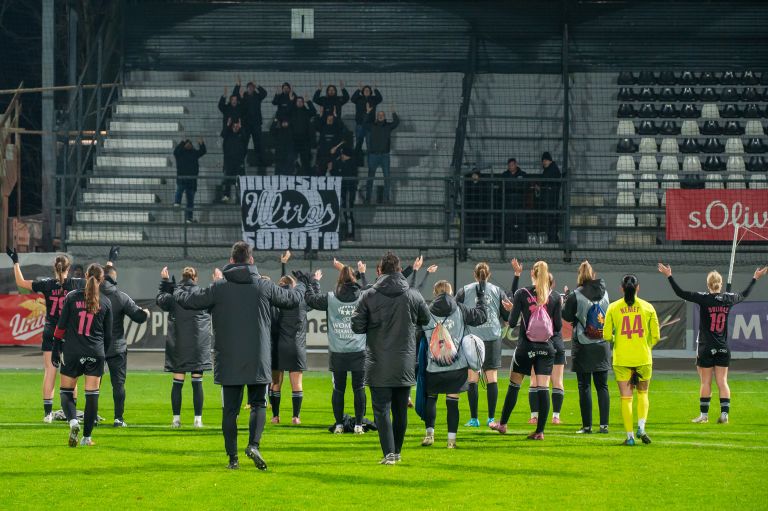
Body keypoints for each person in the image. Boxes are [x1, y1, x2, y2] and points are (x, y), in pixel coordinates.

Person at [171, 241, 304, 470]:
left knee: (230, 411)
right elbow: (291, 299)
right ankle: (253, 445)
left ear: (231, 260)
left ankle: (232, 459)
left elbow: (191, 301)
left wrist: (174, 289)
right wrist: (304, 285)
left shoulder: (219, 287)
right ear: (251, 260)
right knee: (259, 404)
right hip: (258, 359)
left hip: (228, 358)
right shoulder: (263, 286)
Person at [658, 263, 767, 424]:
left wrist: (669, 276)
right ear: (720, 284)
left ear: (708, 284)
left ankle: (704, 416)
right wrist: (755, 278)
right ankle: (725, 415)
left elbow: (680, 293)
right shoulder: (728, 299)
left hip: (706, 347)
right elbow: (744, 294)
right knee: (723, 382)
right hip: (723, 347)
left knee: (705, 382)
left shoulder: (703, 298)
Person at [351, 252, 430, 465]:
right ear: (398, 269)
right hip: (404, 362)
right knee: (400, 410)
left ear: (381, 270)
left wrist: (373, 325)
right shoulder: (413, 295)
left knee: (381, 410)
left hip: (378, 362)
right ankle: (397, 452)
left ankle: (389, 454)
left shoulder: (368, 295)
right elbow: (427, 319)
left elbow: (356, 326)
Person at [6, 249, 85, 422]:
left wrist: (15, 261)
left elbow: (20, 282)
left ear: (54, 268)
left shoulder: (47, 284)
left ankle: (48, 414)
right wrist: (109, 263)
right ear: (68, 268)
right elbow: (99, 281)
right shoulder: (76, 284)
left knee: (50, 370)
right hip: (70, 333)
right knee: (71, 373)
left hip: (51, 331)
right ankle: (70, 411)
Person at [492, 261, 561, 440]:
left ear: (532, 273)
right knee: (543, 388)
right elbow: (558, 326)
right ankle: (540, 431)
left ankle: (503, 424)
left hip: (526, 347)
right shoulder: (554, 297)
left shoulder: (523, 293)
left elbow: (512, 323)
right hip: (546, 348)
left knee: (514, 385)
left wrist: (515, 309)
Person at [303, 260, 369, 434]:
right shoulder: (363, 296)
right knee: (359, 388)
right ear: (354, 279)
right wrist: (361, 274)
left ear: (339, 280)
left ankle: (339, 425)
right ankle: (358, 425)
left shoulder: (331, 297)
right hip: (359, 350)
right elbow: (372, 289)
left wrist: (312, 282)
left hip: (338, 352)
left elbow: (310, 299)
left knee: (338, 389)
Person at [420, 280, 487, 448]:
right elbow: (481, 316)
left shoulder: (427, 312)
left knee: (431, 399)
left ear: (435, 294)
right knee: (452, 403)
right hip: (456, 367)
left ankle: (429, 435)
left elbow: (416, 335)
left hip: (433, 366)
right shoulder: (460, 309)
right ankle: (451, 441)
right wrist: (481, 297)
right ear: (451, 293)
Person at [52, 263, 113, 447]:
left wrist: (56, 348)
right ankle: (87, 438)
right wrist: (103, 356)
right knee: (92, 395)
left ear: (85, 276)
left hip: (72, 351)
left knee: (66, 392)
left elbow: (61, 327)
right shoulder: (106, 303)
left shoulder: (71, 297)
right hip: (95, 352)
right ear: (102, 280)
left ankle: (72, 422)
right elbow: (108, 336)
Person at [603, 274, 660, 446]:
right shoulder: (648, 307)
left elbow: (606, 335)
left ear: (621, 288)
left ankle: (629, 437)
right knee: (643, 394)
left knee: (626, 398)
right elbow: (656, 336)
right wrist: (645, 345)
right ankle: (641, 427)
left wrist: (617, 337)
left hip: (622, 359)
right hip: (643, 357)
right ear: (638, 288)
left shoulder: (613, 308)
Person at [156, 266, 213, 429]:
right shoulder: (202, 293)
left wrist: (165, 283)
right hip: (198, 345)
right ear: (195, 278)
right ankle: (198, 420)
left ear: (183, 277)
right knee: (197, 382)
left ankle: (176, 420)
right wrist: (217, 282)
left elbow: (160, 299)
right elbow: (215, 302)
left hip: (178, 344)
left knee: (177, 382)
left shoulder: (174, 294)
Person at [456, 262, 509, 429]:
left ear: (474, 274)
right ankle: (491, 418)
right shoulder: (497, 290)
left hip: (473, 338)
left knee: (473, 378)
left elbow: (455, 310)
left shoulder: (465, 290)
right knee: (491, 377)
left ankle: (474, 419)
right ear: (489, 274)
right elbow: (507, 314)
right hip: (493, 337)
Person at [562, 261, 611, 434]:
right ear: (593, 274)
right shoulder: (605, 293)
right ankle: (604, 425)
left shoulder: (576, 294)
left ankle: (587, 426)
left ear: (579, 275)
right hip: (602, 344)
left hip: (583, 346)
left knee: (584, 386)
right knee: (602, 386)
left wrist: (566, 298)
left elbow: (566, 316)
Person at [100, 262, 149, 427]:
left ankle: (91, 417)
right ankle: (118, 419)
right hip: (116, 347)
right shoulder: (121, 297)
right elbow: (139, 317)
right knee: (118, 384)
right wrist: (146, 313)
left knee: (93, 384)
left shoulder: (91, 295)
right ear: (114, 279)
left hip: (95, 347)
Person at [269, 270, 309, 425]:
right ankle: (295, 417)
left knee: (276, 383)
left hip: (278, 347)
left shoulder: (274, 302)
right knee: (297, 384)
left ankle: (275, 416)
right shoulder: (301, 302)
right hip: (296, 347)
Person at [366, 109, 399, 204]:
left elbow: (396, 122)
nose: (381, 116)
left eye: (382, 115)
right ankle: (368, 199)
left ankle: (386, 199)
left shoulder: (388, 126)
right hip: (373, 155)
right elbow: (364, 123)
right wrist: (368, 113)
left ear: (384, 117)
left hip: (385, 156)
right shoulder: (372, 126)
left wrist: (393, 112)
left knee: (387, 178)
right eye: (379, 114)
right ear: (377, 116)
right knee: (370, 178)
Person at [173, 138, 206, 223]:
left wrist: (201, 144)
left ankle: (189, 218)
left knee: (190, 201)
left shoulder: (194, 153)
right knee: (179, 190)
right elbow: (175, 152)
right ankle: (177, 203)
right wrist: (182, 142)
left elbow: (202, 152)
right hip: (183, 178)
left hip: (192, 181)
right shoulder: (180, 153)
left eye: (190, 144)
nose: (188, 145)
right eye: (187, 144)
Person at [330, 146, 359, 240]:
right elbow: (335, 173)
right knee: (344, 213)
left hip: (349, 193)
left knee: (349, 212)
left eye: (343, 154)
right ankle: (346, 233)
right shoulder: (339, 162)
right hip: (342, 192)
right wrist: (331, 169)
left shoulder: (352, 164)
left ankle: (351, 234)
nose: (341, 155)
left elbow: (348, 177)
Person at [498, 158, 528, 243]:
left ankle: (522, 243)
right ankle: (508, 242)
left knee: (521, 224)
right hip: (508, 204)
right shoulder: (504, 175)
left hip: (520, 204)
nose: (510, 167)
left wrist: (512, 188)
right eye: (509, 165)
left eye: (512, 165)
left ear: (516, 164)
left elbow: (525, 186)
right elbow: (501, 188)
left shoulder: (523, 174)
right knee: (507, 224)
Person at [219, 119, 248, 204]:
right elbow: (223, 134)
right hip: (229, 161)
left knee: (240, 180)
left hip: (239, 162)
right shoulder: (228, 134)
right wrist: (227, 125)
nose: (235, 128)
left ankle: (241, 196)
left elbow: (246, 137)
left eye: (237, 126)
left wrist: (241, 127)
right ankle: (226, 196)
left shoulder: (241, 135)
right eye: (234, 126)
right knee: (227, 179)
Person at [240, 81, 267, 166]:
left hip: (256, 124)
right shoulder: (243, 96)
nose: (251, 88)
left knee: (258, 143)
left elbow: (264, 93)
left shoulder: (257, 96)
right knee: (244, 143)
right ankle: (241, 161)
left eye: (252, 87)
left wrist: (258, 86)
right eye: (249, 87)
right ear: (247, 88)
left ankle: (260, 161)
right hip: (246, 125)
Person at [351, 83, 382, 157]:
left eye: (368, 90)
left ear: (370, 92)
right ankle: (356, 161)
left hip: (370, 125)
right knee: (359, 143)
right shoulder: (358, 98)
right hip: (360, 124)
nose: (367, 91)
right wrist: (358, 89)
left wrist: (376, 90)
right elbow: (352, 99)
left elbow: (380, 98)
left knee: (369, 143)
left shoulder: (373, 99)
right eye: (365, 90)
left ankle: (370, 162)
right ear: (362, 91)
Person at [464, 169, 493, 243]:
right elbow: (466, 198)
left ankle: (481, 240)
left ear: (478, 176)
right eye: (473, 175)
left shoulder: (483, 185)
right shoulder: (468, 185)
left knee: (480, 225)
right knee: (472, 226)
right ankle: (472, 241)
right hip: (471, 210)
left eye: (475, 175)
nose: (474, 176)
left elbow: (486, 198)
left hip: (481, 210)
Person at [539, 152, 562, 243]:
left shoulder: (551, 170)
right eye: (543, 161)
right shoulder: (551, 169)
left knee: (550, 221)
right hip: (550, 201)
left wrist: (542, 188)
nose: (544, 162)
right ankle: (553, 239)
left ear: (550, 160)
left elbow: (549, 185)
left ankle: (552, 240)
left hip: (551, 201)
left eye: (545, 160)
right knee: (550, 221)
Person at [291, 96, 318, 174]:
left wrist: (308, 102)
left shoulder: (306, 112)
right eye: (298, 101)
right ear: (296, 103)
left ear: (303, 103)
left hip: (305, 140)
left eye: (301, 101)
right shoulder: (292, 111)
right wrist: (291, 101)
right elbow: (285, 111)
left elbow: (314, 111)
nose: (299, 103)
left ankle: (306, 174)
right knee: (292, 159)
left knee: (305, 159)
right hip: (294, 140)